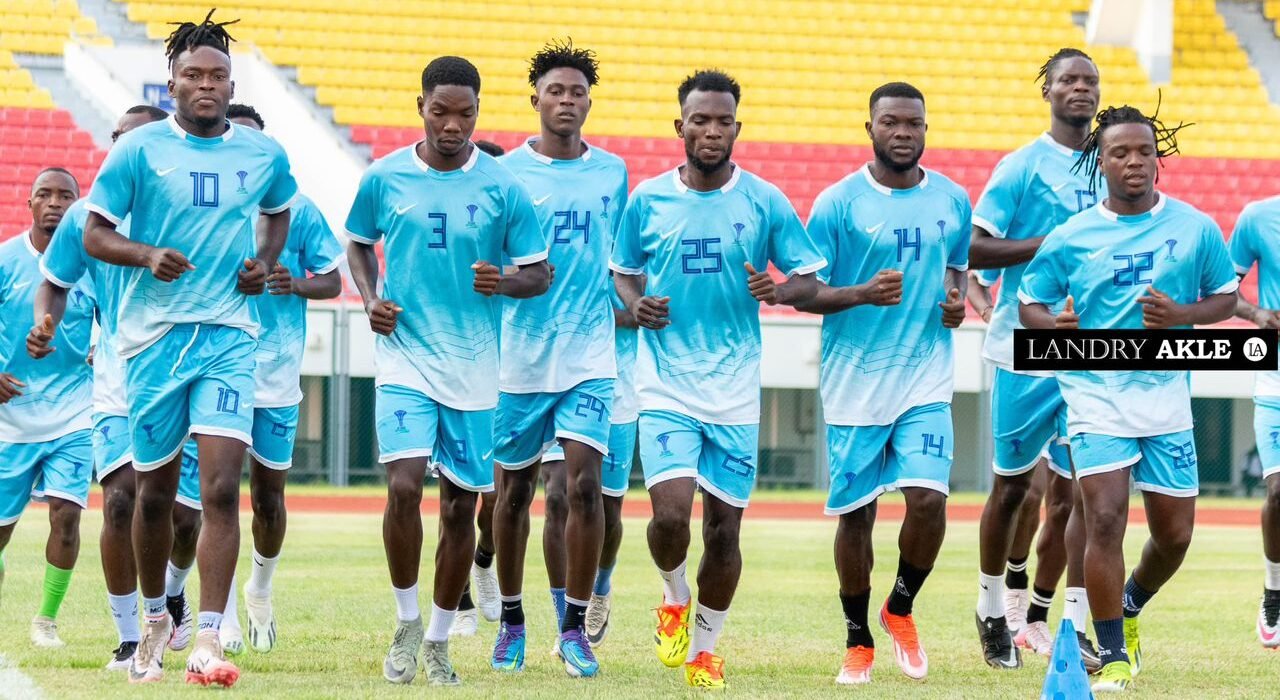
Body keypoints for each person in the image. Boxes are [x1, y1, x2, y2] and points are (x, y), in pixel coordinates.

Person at [82, 10, 299, 686]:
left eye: (219, 76)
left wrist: (264, 262)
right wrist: (145, 254)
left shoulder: (263, 154)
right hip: (153, 342)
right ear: (172, 83)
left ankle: (207, 638)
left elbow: (279, 211)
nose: (207, 85)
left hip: (230, 336)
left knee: (221, 490)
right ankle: (154, 618)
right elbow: (94, 233)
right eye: (194, 75)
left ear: (232, 83)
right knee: (152, 496)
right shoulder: (139, 150)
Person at [610, 69, 824, 689]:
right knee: (670, 518)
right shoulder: (647, 200)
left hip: (733, 392)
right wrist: (637, 303)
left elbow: (807, 278)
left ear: (737, 127)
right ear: (679, 126)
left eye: (722, 121)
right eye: (699, 120)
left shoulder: (764, 201)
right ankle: (674, 593)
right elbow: (623, 270)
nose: (711, 131)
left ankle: (704, 652)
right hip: (666, 385)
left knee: (724, 532)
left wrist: (779, 291)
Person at [344, 55, 549, 687]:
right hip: (405, 357)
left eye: (465, 113)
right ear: (422, 108)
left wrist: (503, 281)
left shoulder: (503, 187)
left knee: (461, 508)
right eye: (441, 112)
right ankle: (407, 621)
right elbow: (358, 244)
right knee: (404, 487)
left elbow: (538, 274)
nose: (453, 125)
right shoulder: (384, 177)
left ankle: (437, 638)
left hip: (474, 369)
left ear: (479, 112)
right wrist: (371, 298)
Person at [1018, 105, 1237, 693]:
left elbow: (1224, 297)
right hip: (1095, 395)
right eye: (1120, 152)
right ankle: (1113, 654)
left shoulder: (1195, 227)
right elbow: (1030, 303)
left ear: (1157, 159)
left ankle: (1132, 602)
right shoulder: (1072, 236)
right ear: (1101, 161)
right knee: (1105, 517)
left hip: (1166, 398)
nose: (1134, 161)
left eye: (1144, 151)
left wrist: (1183, 314)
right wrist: (1053, 328)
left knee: (1175, 537)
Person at [796, 82, 971, 685]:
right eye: (891, 122)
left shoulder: (952, 199)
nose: (903, 132)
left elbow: (955, 273)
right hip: (855, 385)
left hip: (926, 378)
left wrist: (955, 302)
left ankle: (899, 606)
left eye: (913, 123)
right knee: (857, 518)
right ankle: (857, 639)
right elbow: (804, 291)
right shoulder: (838, 204)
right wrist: (862, 293)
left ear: (926, 129)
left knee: (929, 501)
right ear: (869, 128)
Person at [30, 104, 206, 670]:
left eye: (136, 141)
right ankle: (132, 638)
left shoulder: (188, 208)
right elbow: (54, 282)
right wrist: (46, 321)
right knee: (121, 501)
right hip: (116, 382)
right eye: (117, 140)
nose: (123, 150)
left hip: (184, 375)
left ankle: (171, 593)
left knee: (183, 518)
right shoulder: (85, 216)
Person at [488, 38, 629, 678]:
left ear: (589, 102)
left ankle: (574, 628)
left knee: (583, 487)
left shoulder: (612, 172)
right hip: (518, 358)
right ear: (535, 100)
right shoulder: (505, 175)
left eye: (577, 92)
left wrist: (637, 304)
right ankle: (512, 620)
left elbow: (620, 261)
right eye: (555, 91)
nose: (566, 100)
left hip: (591, 356)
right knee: (513, 494)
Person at [970, 47, 1104, 669]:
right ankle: (991, 607)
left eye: (1090, 80)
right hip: (1023, 349)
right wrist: (1050, 242)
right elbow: (974, 248)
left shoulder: (1114, 165)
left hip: (1091, 354)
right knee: (1012, 491)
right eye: (1067, 80)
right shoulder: (1022, 166)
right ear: (1047, 91)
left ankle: (1062, 623)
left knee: (1084, 496)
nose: (1081, 89)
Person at [213, 102, 344, 655]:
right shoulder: (207, 203)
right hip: (215, 370)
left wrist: (297, 285)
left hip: (277, 377)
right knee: (216, 493)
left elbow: (333, 281)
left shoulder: (301, 210)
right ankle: (217, 617)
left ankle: (260, 591)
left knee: (268, 498)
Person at [0, 168, 91, 649]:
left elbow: (117, 322)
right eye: (45, 194)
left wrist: (102, 352)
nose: (55, 202)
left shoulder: (92, 266)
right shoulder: (5, 260)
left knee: (66, 516)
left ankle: (46, 620)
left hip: (75, 413)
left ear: (79, 206)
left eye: (66, 196)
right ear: (30, 203)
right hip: (10, 418)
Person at [449, 137, 505, 638]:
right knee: (459, 495)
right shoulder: (458, 240)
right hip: (463, 374)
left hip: (517, 376)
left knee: (501, 496)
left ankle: (485, 560)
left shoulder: (524, 234)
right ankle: (459, 601)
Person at [1226, 192, 1280, 649]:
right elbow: (1225, 290)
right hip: (1274, 382)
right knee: (1278, 491)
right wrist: (1258, 313)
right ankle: (1273, 592)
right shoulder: (1258, 217)